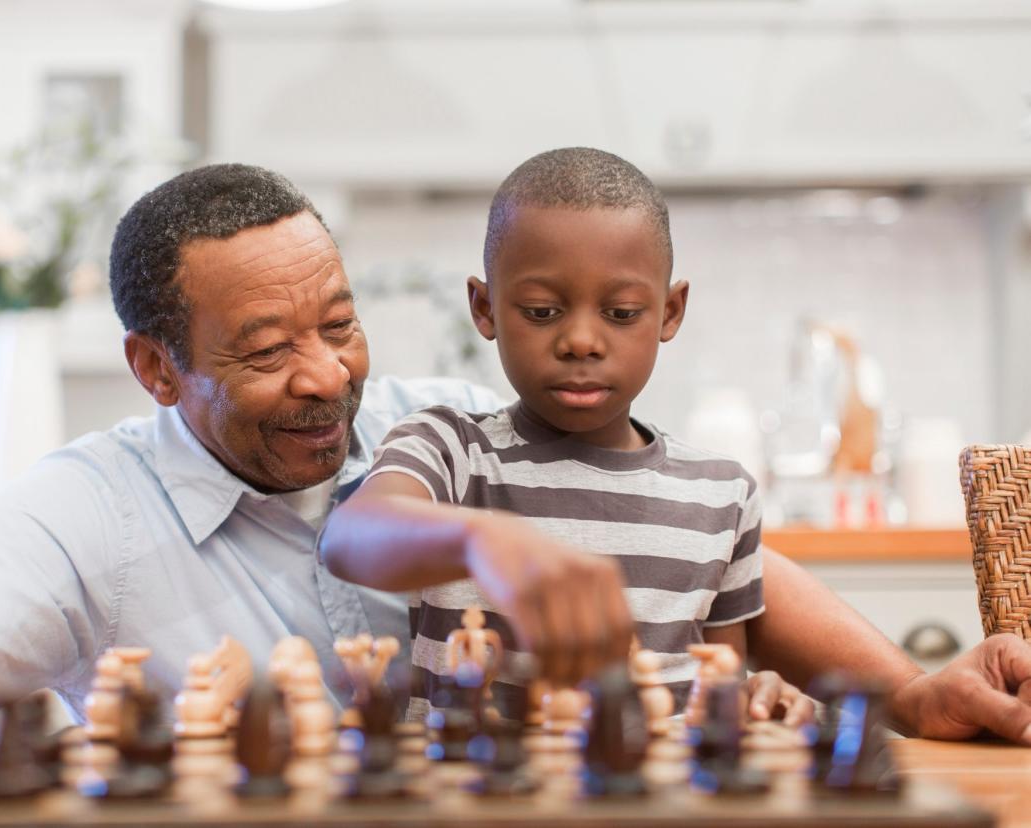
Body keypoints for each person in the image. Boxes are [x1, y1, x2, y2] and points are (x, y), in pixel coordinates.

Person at [0, 163, 1030, 818]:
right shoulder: (80, 516)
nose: (327, 377)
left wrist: (909, 686)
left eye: (340, 323)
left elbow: (710, 549)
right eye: (267, 351)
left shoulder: (438, 422)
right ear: (156, 369)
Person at [320, 147, 791, 719]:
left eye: (620, 313)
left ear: (669, 312)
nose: (581, 341)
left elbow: (719, 688)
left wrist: (756, 697)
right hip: (469, 805)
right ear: (485, 307)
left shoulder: (722, 495)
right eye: (542, 311)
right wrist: (479, 540)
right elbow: (349, 539)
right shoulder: (448, 451)